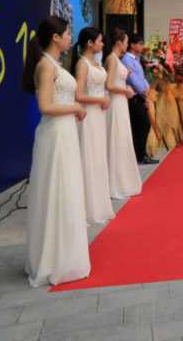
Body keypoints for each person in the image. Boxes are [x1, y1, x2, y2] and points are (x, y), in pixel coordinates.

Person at [21, 16, 90, 287]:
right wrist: (75, 107)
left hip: (64, 132)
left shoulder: (54, 64)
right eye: (68, 33)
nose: (70, 37)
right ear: (55, 37)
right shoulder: (46, 66)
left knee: (66, 190)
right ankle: (53, 258)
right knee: (57, 190)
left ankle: (64, 254)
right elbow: (45, 106)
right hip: (55, 134)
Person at [72, 27, 114, 225]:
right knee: (88, 158)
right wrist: (100, 99)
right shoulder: (82, 64)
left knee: (98, 157)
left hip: (99, 114)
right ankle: (88, 207)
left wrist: (103, 97)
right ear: (89, 43)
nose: (102, 44)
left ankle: (99, 204)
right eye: (99, 41)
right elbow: (78, 95)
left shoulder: (96, 63)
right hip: (89, 115)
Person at [105, 28, 143, 199]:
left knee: (122, 139)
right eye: (126, 42)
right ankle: (115, 182)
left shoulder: (116, 59)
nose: (127, 45)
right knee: (117, 139)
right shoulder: (112, 59)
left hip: (120, 102)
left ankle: (122, 179)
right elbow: (108, 85)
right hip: (116, 102)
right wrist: (125, 90)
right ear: (119, 43)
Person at [122, 34, 157, 165]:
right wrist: (144, 91)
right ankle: (140, 155)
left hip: (141, 95)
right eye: (140, 44)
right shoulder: (127, 59)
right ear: (132, 45)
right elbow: (132, 79)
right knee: (142, 125)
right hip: (135, 96)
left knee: (142, 125)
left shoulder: (136, 59)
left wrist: (147, 89)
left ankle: (141, 154)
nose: (142, 46)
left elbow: (141, 78)